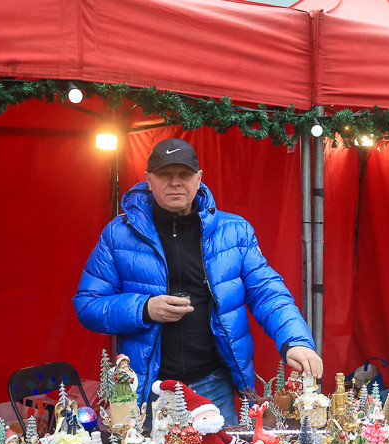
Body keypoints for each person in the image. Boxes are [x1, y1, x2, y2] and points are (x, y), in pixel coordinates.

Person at [74, 138, 322, 424]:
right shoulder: (118, 234)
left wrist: (296, 341)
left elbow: (268, 292)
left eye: (185, 175)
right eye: (166, 175)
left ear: (199, 178)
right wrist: (144, 308)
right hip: (149, 389)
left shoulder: (235, 231)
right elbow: (88, 305)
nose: (176, 183)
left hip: (212, 384)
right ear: (148, 179)